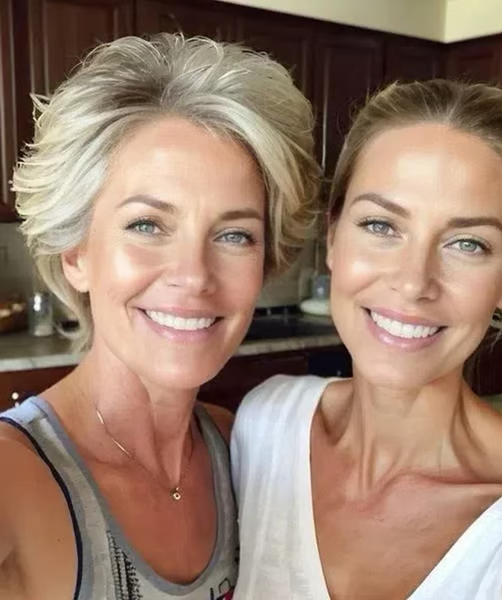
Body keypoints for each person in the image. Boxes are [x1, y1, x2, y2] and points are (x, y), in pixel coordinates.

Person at [231, 79, 502, 600]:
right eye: (381, 225)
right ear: (333, 237)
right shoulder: (263, 424)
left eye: (467, 243)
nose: (413, 282)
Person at [0, 33, 319, 600]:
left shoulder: (242, 450)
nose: (194, 275)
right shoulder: (14, 475)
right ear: (76, 255)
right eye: (147, 225)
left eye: (234, 234)